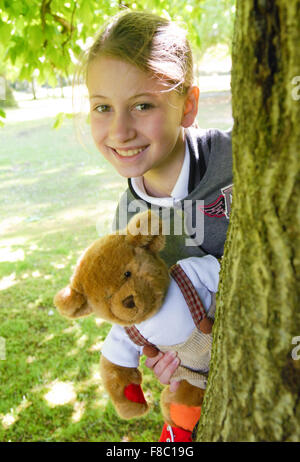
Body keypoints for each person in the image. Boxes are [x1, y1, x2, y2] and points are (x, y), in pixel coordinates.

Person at [81, 10, 232, 441]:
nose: (120, 130)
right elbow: (143, 309)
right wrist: (160, 350)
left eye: (142, 105)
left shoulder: (238, 161)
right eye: (102, 108)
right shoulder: (127, 224)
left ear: (187, 105)